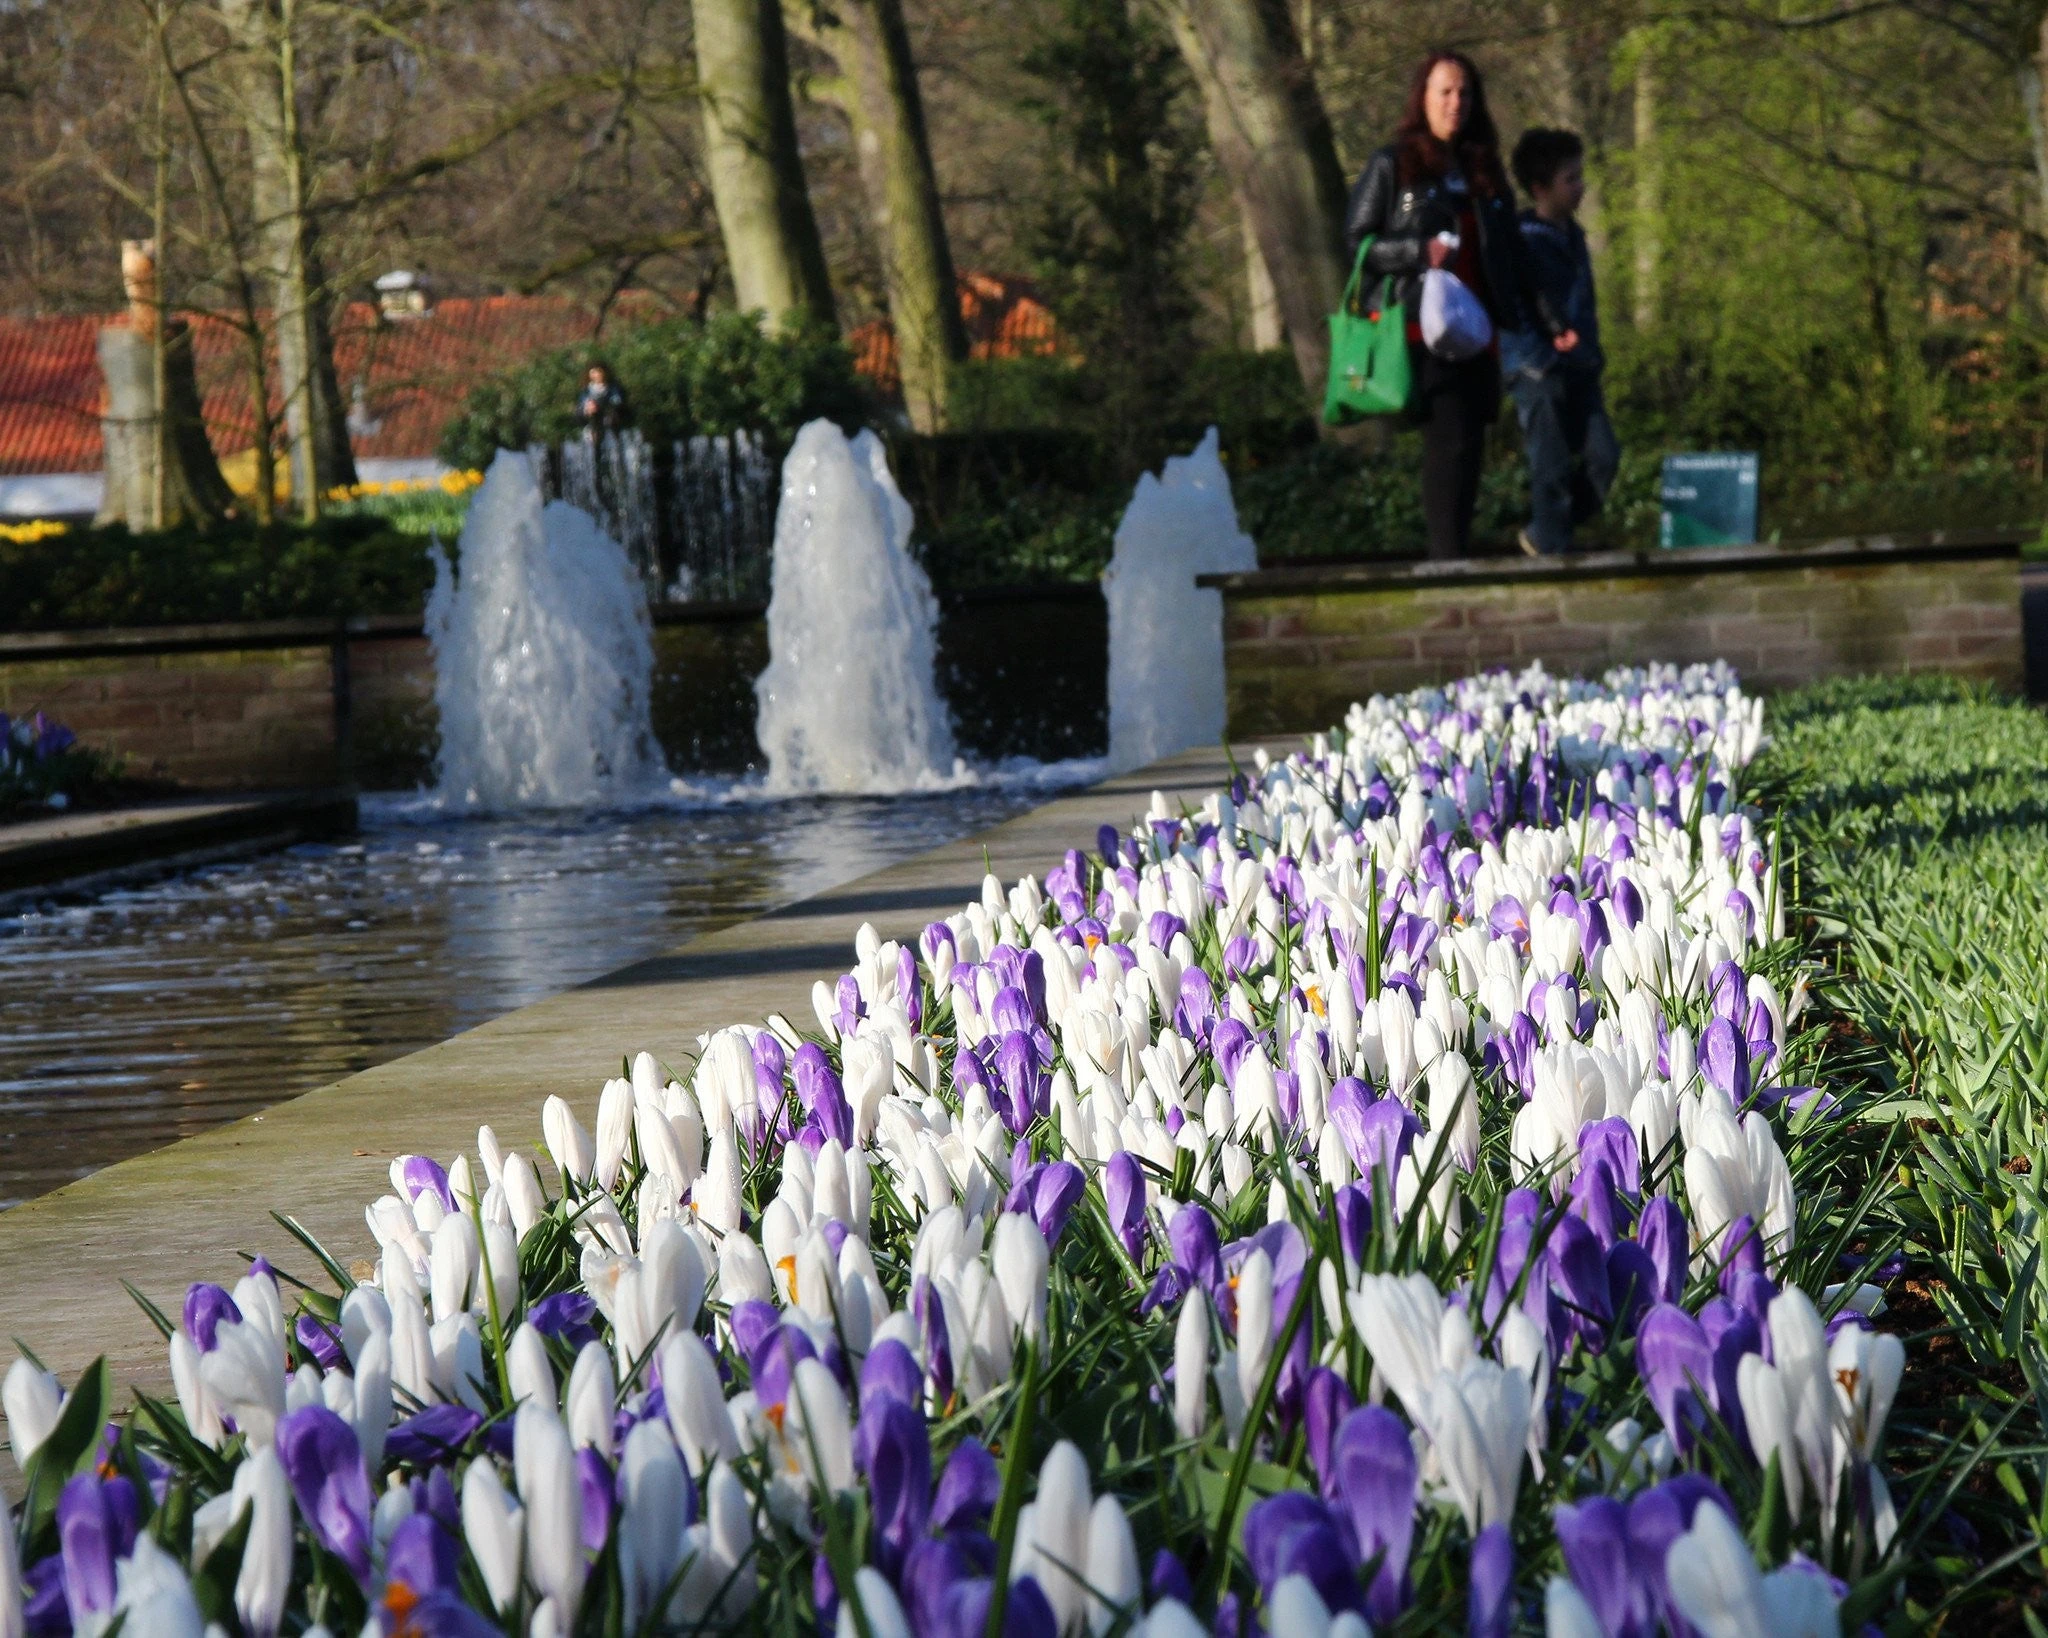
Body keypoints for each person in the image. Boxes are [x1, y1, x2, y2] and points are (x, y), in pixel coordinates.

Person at [1344, 51, 1566, 560]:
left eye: (1464, 93)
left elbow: (1513, 255)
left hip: (1477, 329)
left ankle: (1453, 557)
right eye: (1444, 91)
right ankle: (1448, 566)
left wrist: (1552, 319)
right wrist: (1416, 252)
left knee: (1469, 445)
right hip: (1420, 327)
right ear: (1422, 98)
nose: (1455, 103)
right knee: (1451, 438)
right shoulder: (1392, 164)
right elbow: (1358, 242)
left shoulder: (1484, 171)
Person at [1504, 128, 1618, 555]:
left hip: (1580, 366)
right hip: (1537, 366)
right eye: (1570, 179)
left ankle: (1545, 530)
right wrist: (1539, 358)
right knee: (1550, 462)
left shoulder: (1575, 236)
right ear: (1540, 188)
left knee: (1604, 457)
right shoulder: (1522, 240)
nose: (1580, 186)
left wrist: (1590, 354)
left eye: (1580, 176)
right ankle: (1551, 548)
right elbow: (1518, 306)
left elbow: (1583, 307)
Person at [578, 363, 627, 441]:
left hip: (609, 419)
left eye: (599, 372)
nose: (597, 375)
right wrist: (587, 408)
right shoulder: (586, 391)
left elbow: (617, 400)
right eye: (593, 372)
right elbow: (582, 404)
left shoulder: (612, 388)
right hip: (593, 421)